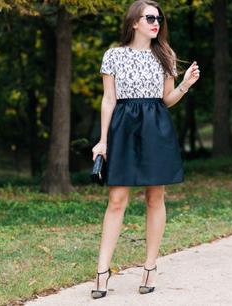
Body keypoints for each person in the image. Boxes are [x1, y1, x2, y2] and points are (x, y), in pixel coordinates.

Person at [90, 0, 200, 299]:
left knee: (156, 196)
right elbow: (108, 100)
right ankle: (102, 270)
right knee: (116, 199)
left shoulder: (165, 55)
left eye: (159, 18)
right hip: (123, 127)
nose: (156, 22)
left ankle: (150, 267)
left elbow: (166, 99)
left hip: (156, 127)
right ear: (134, 22)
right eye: (149, 17)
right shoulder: (113, 55)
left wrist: (186, 84)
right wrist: (103, 141)